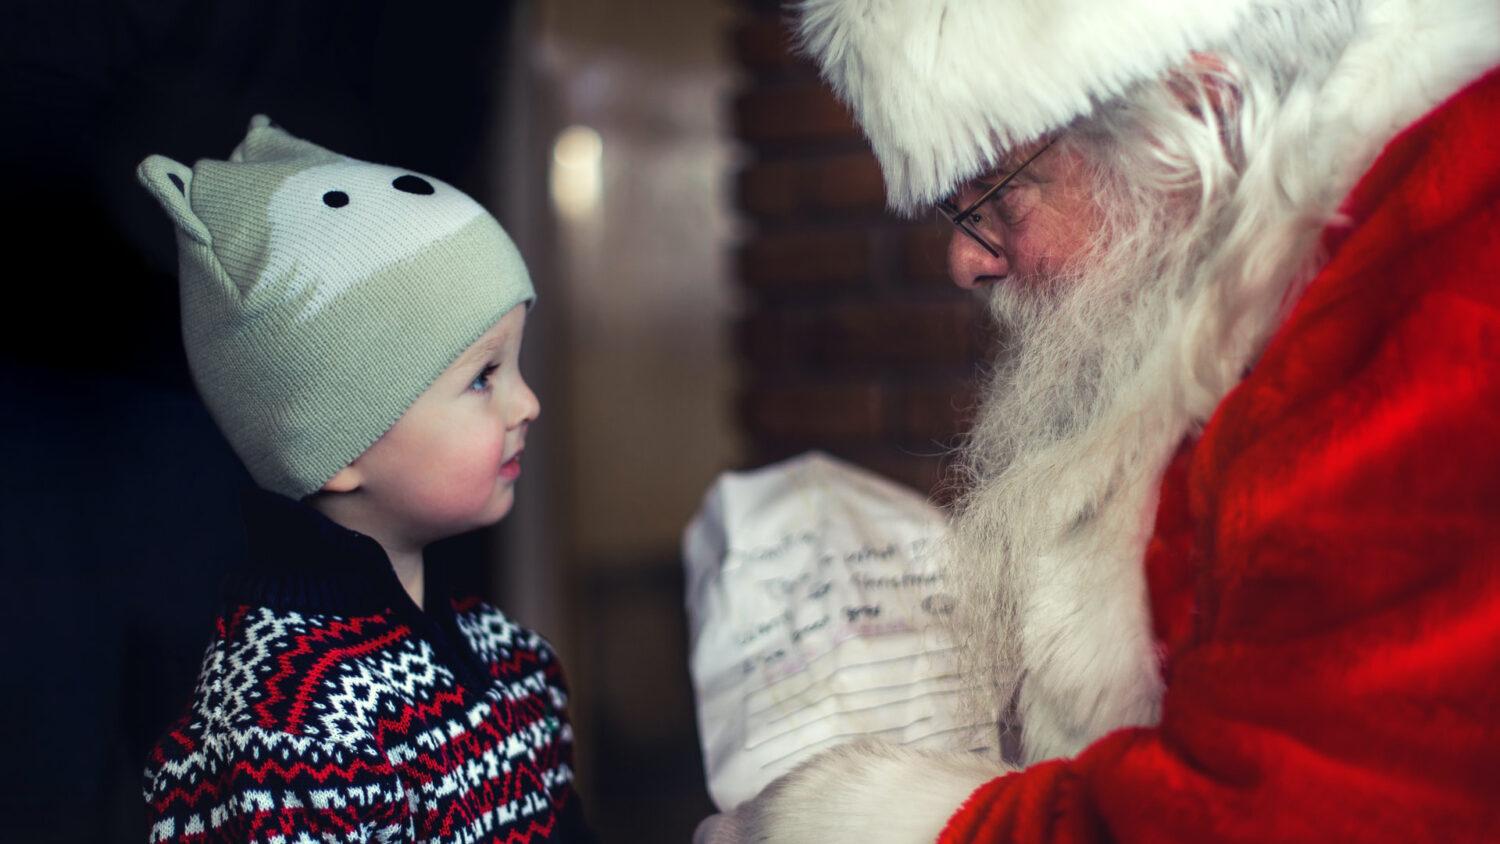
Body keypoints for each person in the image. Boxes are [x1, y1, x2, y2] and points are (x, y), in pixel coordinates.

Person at [697, 0, 1500, 840]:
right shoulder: (1291, 280)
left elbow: (1292, 808)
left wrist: (879, 823)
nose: (966, 258)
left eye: (996, 194)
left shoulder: (1445, 281)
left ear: (1200, 115)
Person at [136, 115, 594, 842]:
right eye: (483, 377)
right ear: (336, 444)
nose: (527, 403)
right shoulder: (284, 731)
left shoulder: (514, 660)